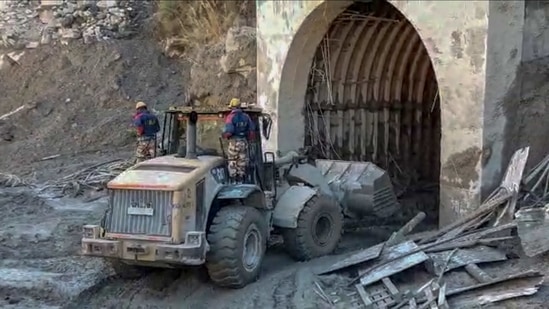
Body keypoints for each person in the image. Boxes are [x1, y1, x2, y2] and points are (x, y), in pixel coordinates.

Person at [222, 98, 256, 183]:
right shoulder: (246, 117)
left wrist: (224, 135)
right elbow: (252, 131)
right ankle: (241, 179)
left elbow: (229, 131)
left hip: (234, 142)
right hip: (243, 143)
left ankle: (233, 180)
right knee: (242, 162)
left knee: (232, 161)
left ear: (232, 107)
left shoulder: (230, 117)